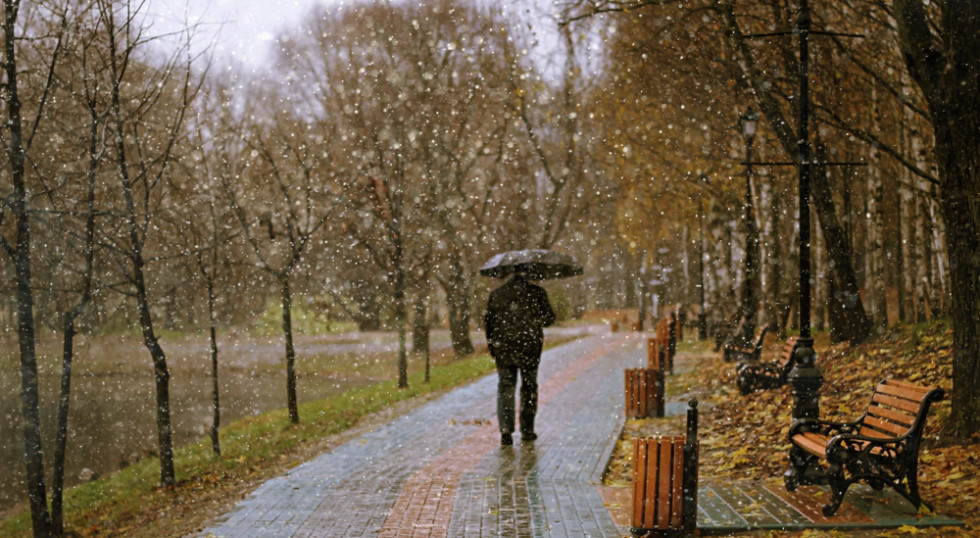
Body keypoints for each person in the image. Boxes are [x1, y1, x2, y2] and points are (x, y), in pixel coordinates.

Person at [484, 271, 556, 446]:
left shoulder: (497, 294)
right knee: (529, 387)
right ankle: (527, 429)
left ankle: (505, 429)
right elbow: (550, 319)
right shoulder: (537, 293)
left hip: (504, 349)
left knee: (505, 387)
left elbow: (488, 324)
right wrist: (534, 320)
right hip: (529, 347)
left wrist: (493, 346)